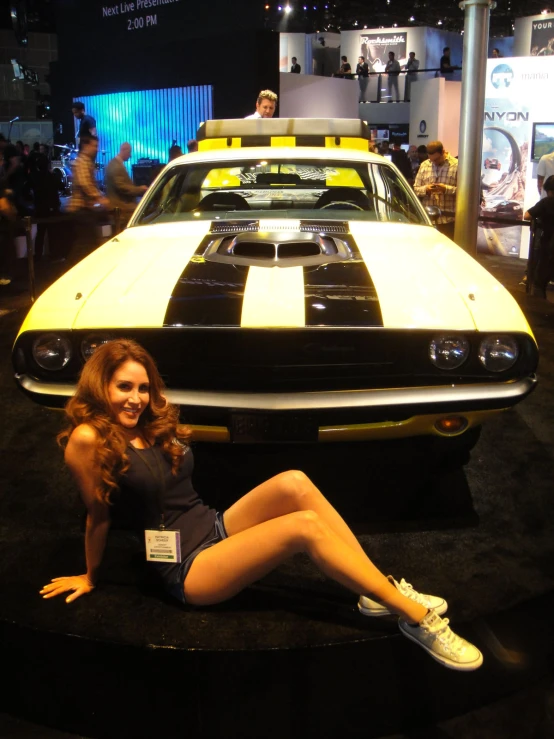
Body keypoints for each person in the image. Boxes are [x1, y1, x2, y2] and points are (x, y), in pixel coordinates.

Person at [39, 339, 483, 671]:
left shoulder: (148, 423)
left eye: (142, 387)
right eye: (123, 387)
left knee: (295, 482)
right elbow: (97, 514)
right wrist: (90, 575)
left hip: (211, 526)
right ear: (101, 385)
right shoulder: (87, 439)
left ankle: (375, 591)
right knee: (304, 527)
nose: (135, 398)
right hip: (187, 569)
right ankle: (416, 619)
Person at [66, 135, 109, 266]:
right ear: (86, 146)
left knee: (87, 243)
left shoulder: (85, 161)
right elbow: (85, 184)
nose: (96, 149)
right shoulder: (82, 161)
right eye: (94, 146)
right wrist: (100, 198)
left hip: (85, 209)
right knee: (84, 244)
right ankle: (69, 270)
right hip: (81, 210)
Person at [413, 140, 458, 240]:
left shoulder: (456, 165)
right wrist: (426, 189)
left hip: (448, 221)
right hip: (428, 220)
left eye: (437, 159)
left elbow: (464, 192)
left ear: (443, 152)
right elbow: (415, 189)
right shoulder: (425, 165)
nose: (434, 163)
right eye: (432, 160)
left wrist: (446, 189)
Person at [525, 175, 554, 298]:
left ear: (549, 191)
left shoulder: (546, 202)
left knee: (539, 283)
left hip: (549, 249)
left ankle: (541, 313)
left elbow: (527, 215)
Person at [105, 143, 148, 217]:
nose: (130, 155)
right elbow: (123, 187)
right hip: (121, 209)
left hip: (121, 207)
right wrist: (140, 189)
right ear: (124, 150)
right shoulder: (116, 166)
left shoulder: (115, 164)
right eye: (129, 152)